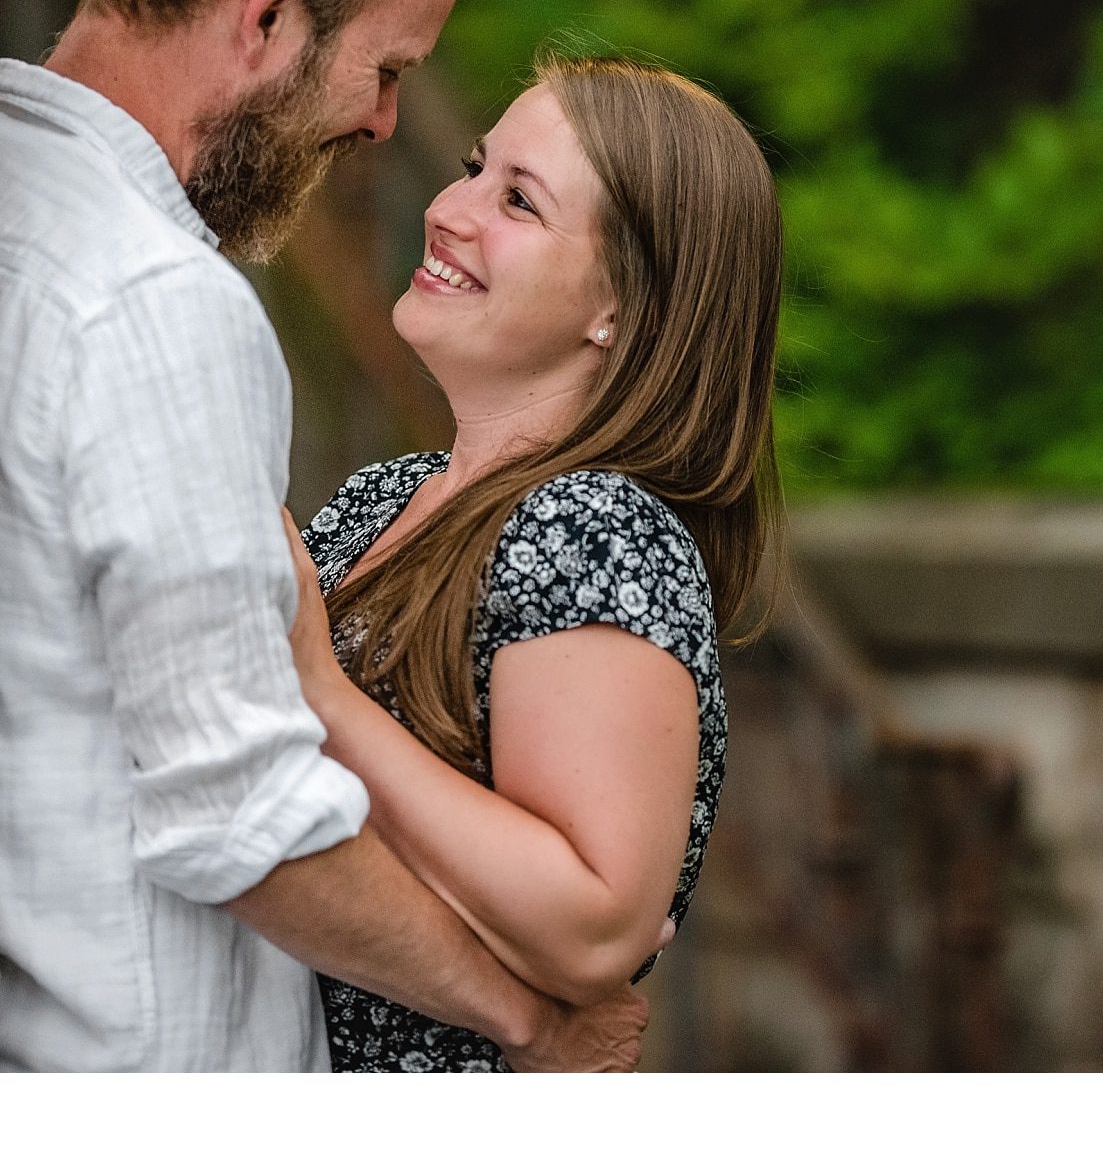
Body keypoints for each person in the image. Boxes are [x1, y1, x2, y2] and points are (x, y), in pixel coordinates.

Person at [0, 0, 648, 1072]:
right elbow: (237, 810)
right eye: (384, 67)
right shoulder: (158, 300)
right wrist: (521, 1016)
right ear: (271, 12)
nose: (387, 126)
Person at [280, 54, 783, 1071]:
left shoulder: (594, 532)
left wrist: (322, 699)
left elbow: (590, 921)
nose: (447, 208)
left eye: (516, 200)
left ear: (621, 305)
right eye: (473, 167)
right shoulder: (384, 497)